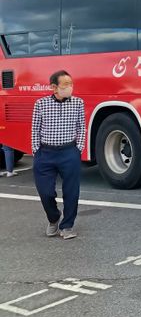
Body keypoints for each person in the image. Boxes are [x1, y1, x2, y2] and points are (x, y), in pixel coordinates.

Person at [31, 70, 86, 240]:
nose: (69, 87)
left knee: (71, 191)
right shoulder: (41, 104)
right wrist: (36, 151)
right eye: (65, 85)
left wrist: (79, 149)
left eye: (71, 84)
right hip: (45, 153)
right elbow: (35, 129)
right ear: (54, 87)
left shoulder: (78, 103)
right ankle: (53, 217)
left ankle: (67, 226)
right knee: (45, 191)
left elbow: (81, 127)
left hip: (69, 152)